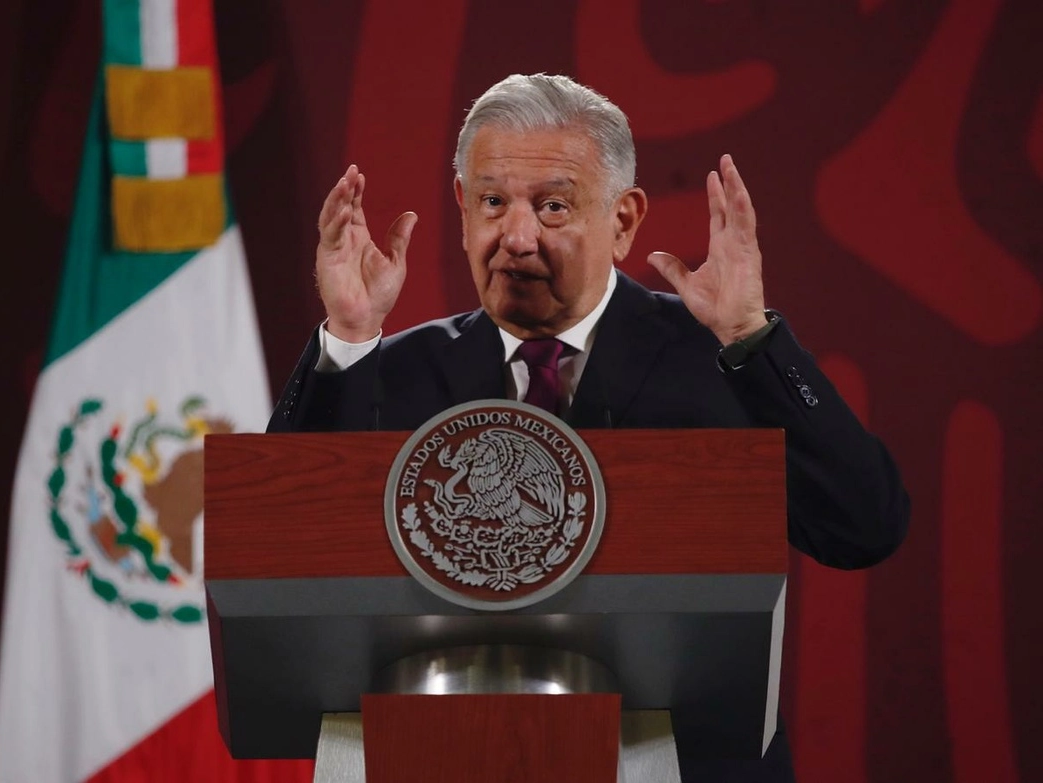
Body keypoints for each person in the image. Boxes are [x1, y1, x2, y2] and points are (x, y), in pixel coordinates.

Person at [267, 73, 909, 781]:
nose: (515, 236)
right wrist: (350, 337)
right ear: (461, 207)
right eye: (491, 202)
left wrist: (751, 339)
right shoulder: (386, 369)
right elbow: (278, 566)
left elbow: (864, 524)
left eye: (551, 207)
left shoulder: (721, 361)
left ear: (625, 220)